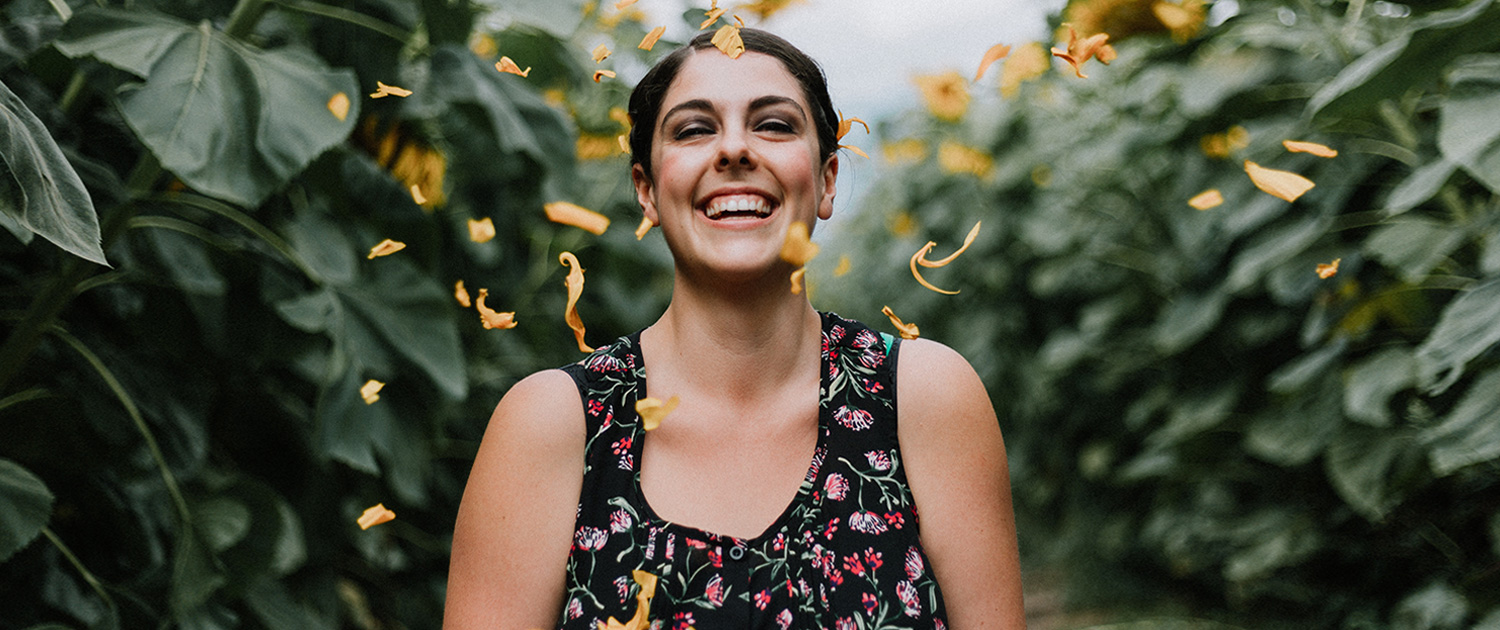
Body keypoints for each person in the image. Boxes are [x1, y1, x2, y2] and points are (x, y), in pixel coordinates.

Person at [445, 27, 1024, 629]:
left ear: (826, 180)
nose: (734, 150)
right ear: (646, 189)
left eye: (773, 125)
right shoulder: (549, 425)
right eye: (694, 130)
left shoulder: (922, 398)